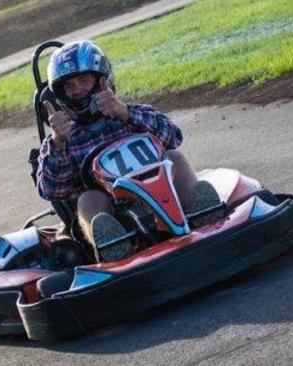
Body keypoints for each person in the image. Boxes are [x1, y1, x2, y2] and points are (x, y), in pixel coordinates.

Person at [36, 40, 218, 262]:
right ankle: (115, 247)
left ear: (103, 79)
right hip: (110, 209)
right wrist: (59, 143)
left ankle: (205, 216)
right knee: (88, 198)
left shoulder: (131, 113)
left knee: (174, 158)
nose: (77, 90)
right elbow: (51, 190)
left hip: (159, 191)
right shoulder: (60, 137)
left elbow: (173, 136)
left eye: (84, 80)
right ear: (60, 95)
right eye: (69, 86)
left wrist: (126, 114)